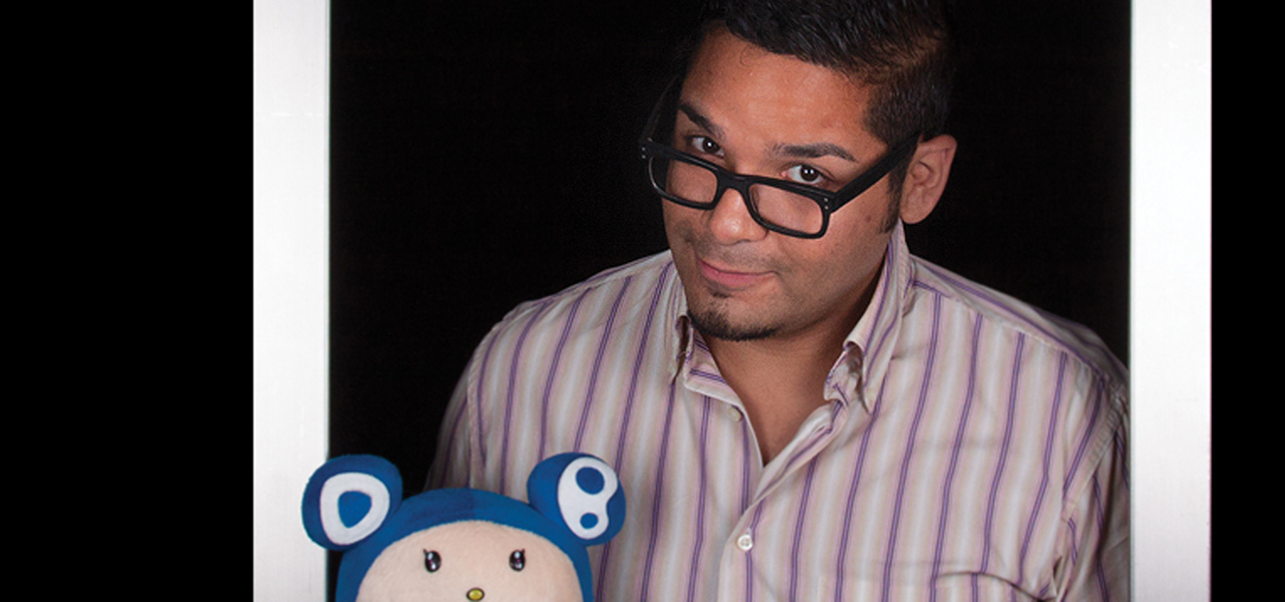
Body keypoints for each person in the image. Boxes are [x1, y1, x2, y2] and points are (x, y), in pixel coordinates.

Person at [427, 1, 1128, 599]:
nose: (723, 225)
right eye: (703, 144)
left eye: (802, 174)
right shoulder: (520, 372)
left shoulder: (1068, 419)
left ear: (919, 180)